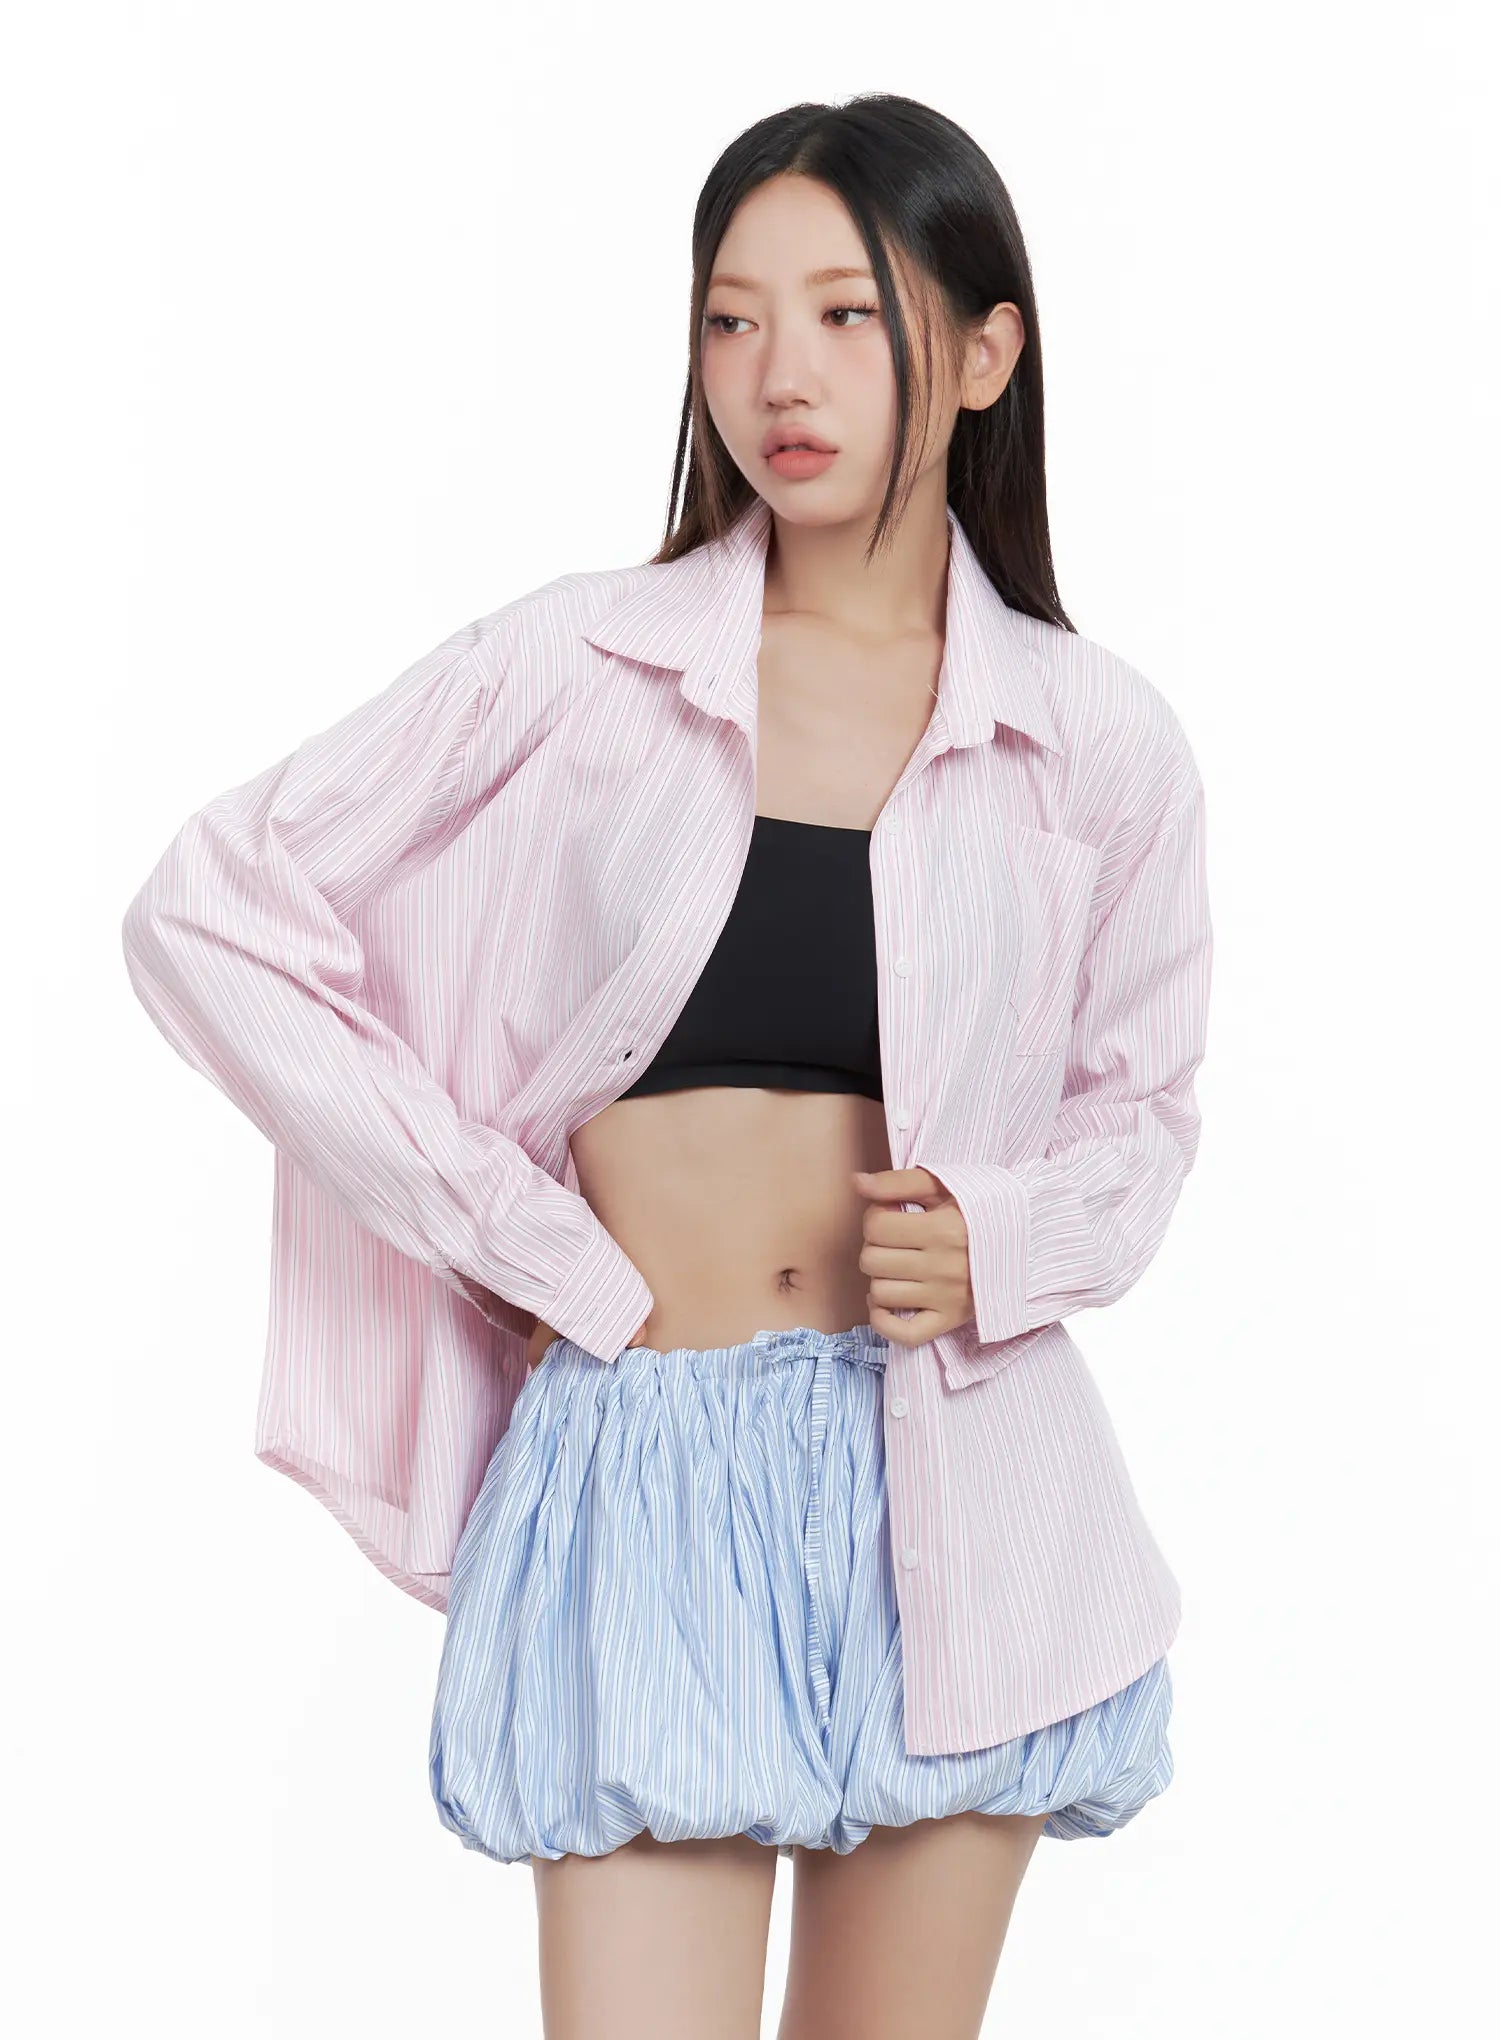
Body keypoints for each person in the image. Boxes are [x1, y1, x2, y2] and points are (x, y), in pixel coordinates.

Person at [121, 91, 1211, 2040]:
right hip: (643, 1467)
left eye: (848, 316)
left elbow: (1146, 1117)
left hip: (963, 1484)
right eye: (732, 317)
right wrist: (521, 1238)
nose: (780, 374)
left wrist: (1008, 1238)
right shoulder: (580, 668)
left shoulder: (1097, 739)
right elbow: (211, 913)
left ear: (984, 352)